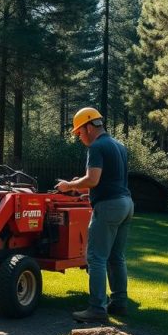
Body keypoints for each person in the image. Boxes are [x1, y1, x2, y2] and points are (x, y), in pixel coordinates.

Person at [56, 107, 134, 323]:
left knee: (96, 258)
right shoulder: (118, 145)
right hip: (126, 204)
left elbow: (93, 179)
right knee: (116, 257)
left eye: (79, 133)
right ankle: (119, 303)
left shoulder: (97, 147)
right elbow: (107, 180)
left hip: (108, 207)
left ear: (89, 127)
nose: (80, 137)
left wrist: (69, 185)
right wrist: (78, 189)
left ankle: (96, 309)